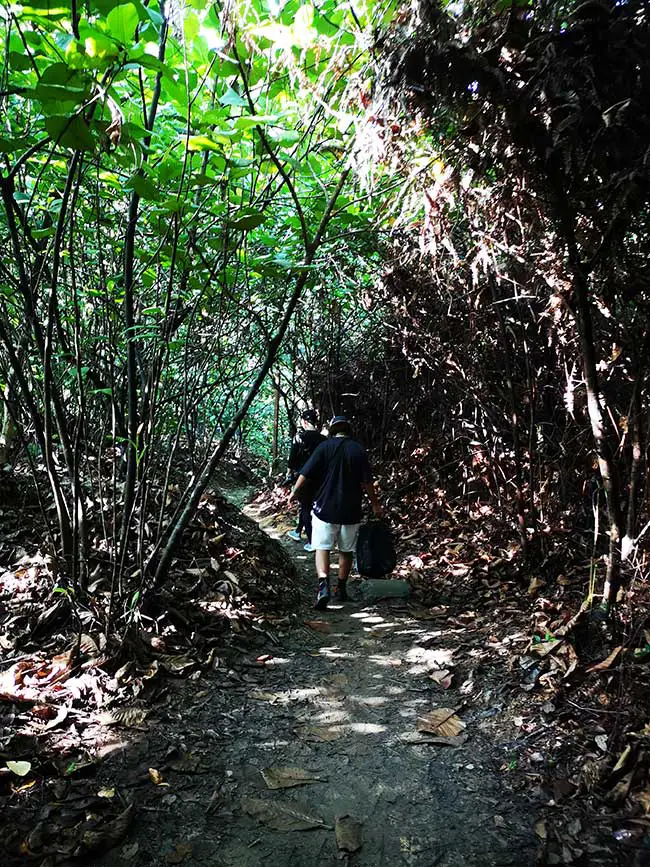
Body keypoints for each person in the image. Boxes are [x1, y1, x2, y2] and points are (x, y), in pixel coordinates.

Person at [288, 415, 382, 610]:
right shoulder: (358, 449)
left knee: (322, 548)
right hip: (351, 509)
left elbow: (305, 473)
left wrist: (294, 493)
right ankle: (341, 589)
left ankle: (323, 588)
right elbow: (367, 482)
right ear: (349, 430)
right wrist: (375, 504)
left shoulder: (324, 447)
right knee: (346, 550)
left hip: (324, 507)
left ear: (332, 430)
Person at [285, 409, 325, 550]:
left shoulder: (299, 437)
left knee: (306, 508)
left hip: (303, 478)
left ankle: (312, 541)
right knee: (311, 507)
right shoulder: (324, 440)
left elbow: (292, 460)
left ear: (305, 422)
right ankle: (297, 531)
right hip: (320, 479)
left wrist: (289, 474)